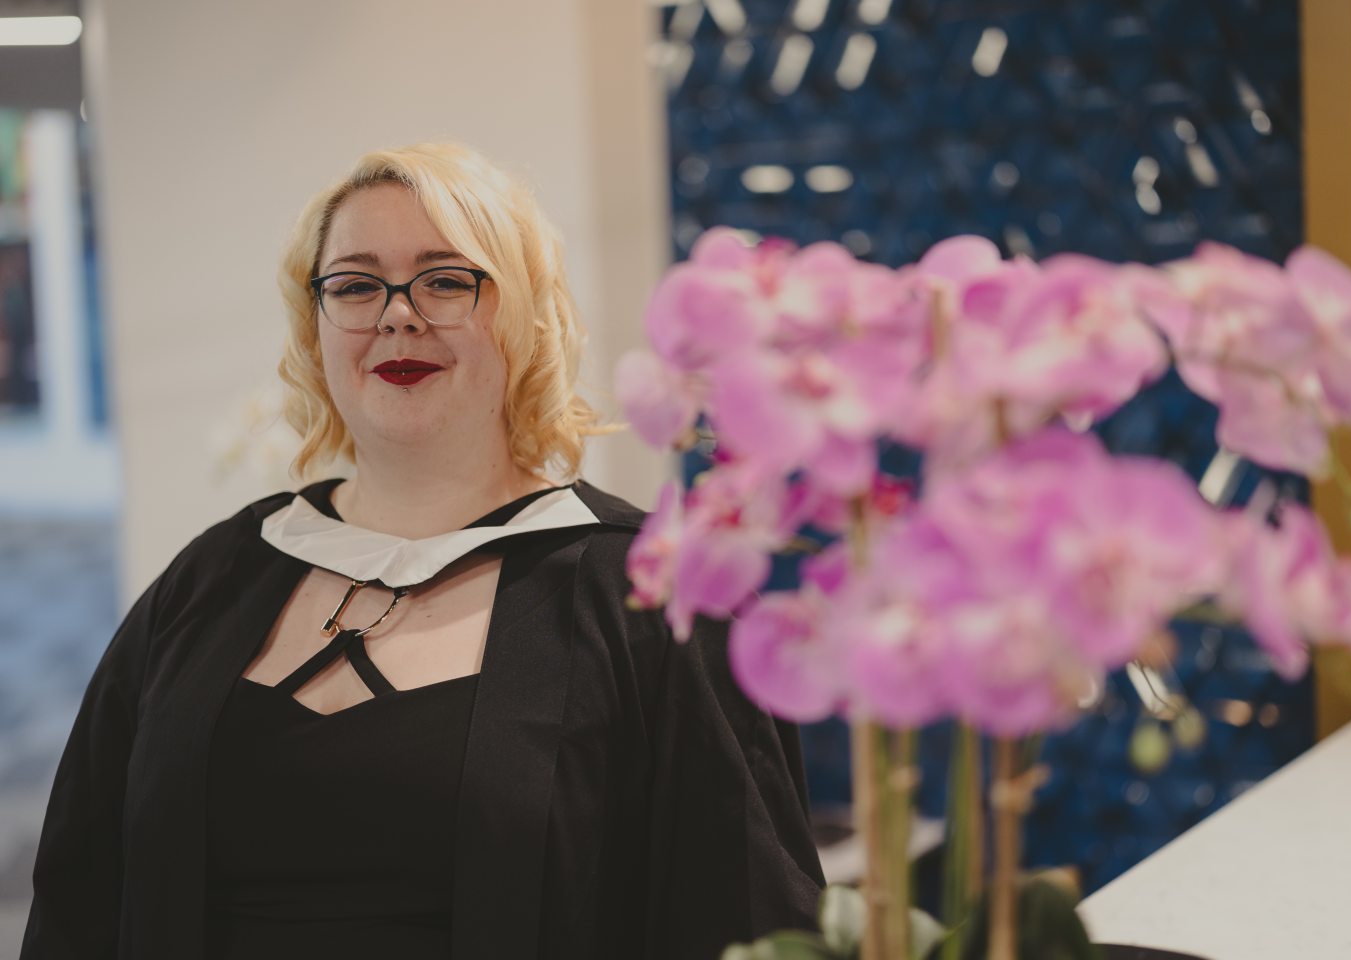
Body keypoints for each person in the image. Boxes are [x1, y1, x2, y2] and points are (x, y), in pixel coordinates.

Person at [21, 142, 824, 960]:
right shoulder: (214, 577)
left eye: (446, 280)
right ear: (316, 324)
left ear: (524, 317)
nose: (398, 314)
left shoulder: (648, 597)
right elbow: (80, 898)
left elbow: (746, 918)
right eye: (357, 285)